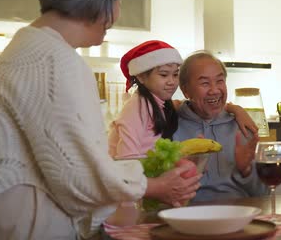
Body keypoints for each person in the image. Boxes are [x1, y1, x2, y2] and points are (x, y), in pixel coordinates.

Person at [0, 0, 200, 240]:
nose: (118, 12)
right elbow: (80, 176)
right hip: (30, 239)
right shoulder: (55, 61)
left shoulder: (26, 50)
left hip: (2, 231)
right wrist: (156, 185)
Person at [108, 40, 258, 160]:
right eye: (163, 75)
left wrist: (235, 109)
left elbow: (192, 103)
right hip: (132, 187)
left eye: (175, 75)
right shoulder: (137, 107)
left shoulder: (161, 106)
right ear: (141, 76)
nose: (172, 82)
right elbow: (126, 158)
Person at [173, 51, 269, 201]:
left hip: (237, 211)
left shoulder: (242, 127)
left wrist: (246, 170)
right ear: (185, 90)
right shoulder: (170, 127)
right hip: (188, 214)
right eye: (205, 83)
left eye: (220, 81)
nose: (215, 90)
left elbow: (264, 194)